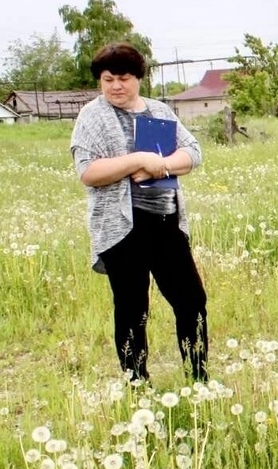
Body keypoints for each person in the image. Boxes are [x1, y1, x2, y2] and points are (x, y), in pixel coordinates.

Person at [70, 42, 208, 384]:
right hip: (122, 227)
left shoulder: (160, 111)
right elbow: (87, 170)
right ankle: (137, 383)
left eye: (124, 78)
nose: (116, 86)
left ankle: (199, 378)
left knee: (191, 300)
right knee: (133, 309)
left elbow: (192, 152)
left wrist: (159, 166)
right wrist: (135, 161)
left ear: (138, 79)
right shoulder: (93, 116)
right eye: (108, 79)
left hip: (165, 222)